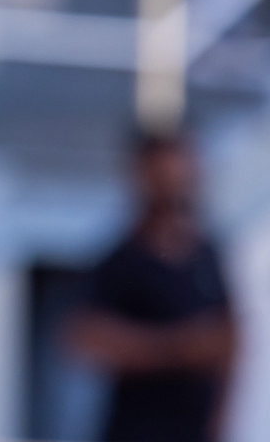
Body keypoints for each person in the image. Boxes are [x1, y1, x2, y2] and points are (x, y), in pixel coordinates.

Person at [71, 134, 236, 442]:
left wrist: (220, 423)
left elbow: (230, 342)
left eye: (178, 175)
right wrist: (178, 348)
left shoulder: (208, 255)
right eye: (162, 177)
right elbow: (84, 337)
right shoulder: (121, 259)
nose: (171, 186)